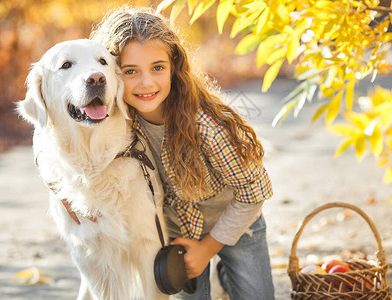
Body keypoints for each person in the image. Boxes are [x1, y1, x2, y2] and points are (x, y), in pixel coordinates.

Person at [88, 5, 275, 299]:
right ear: (112, 74)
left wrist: (209, 249)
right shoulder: (115, 120)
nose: (146, 83)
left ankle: (226, 271)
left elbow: (255, 191)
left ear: (174, 66)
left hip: (235, 223)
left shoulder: (205, 126)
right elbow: (56, 140)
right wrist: (63, 192)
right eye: (130, 71)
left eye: (157, 68)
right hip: (177, 232)